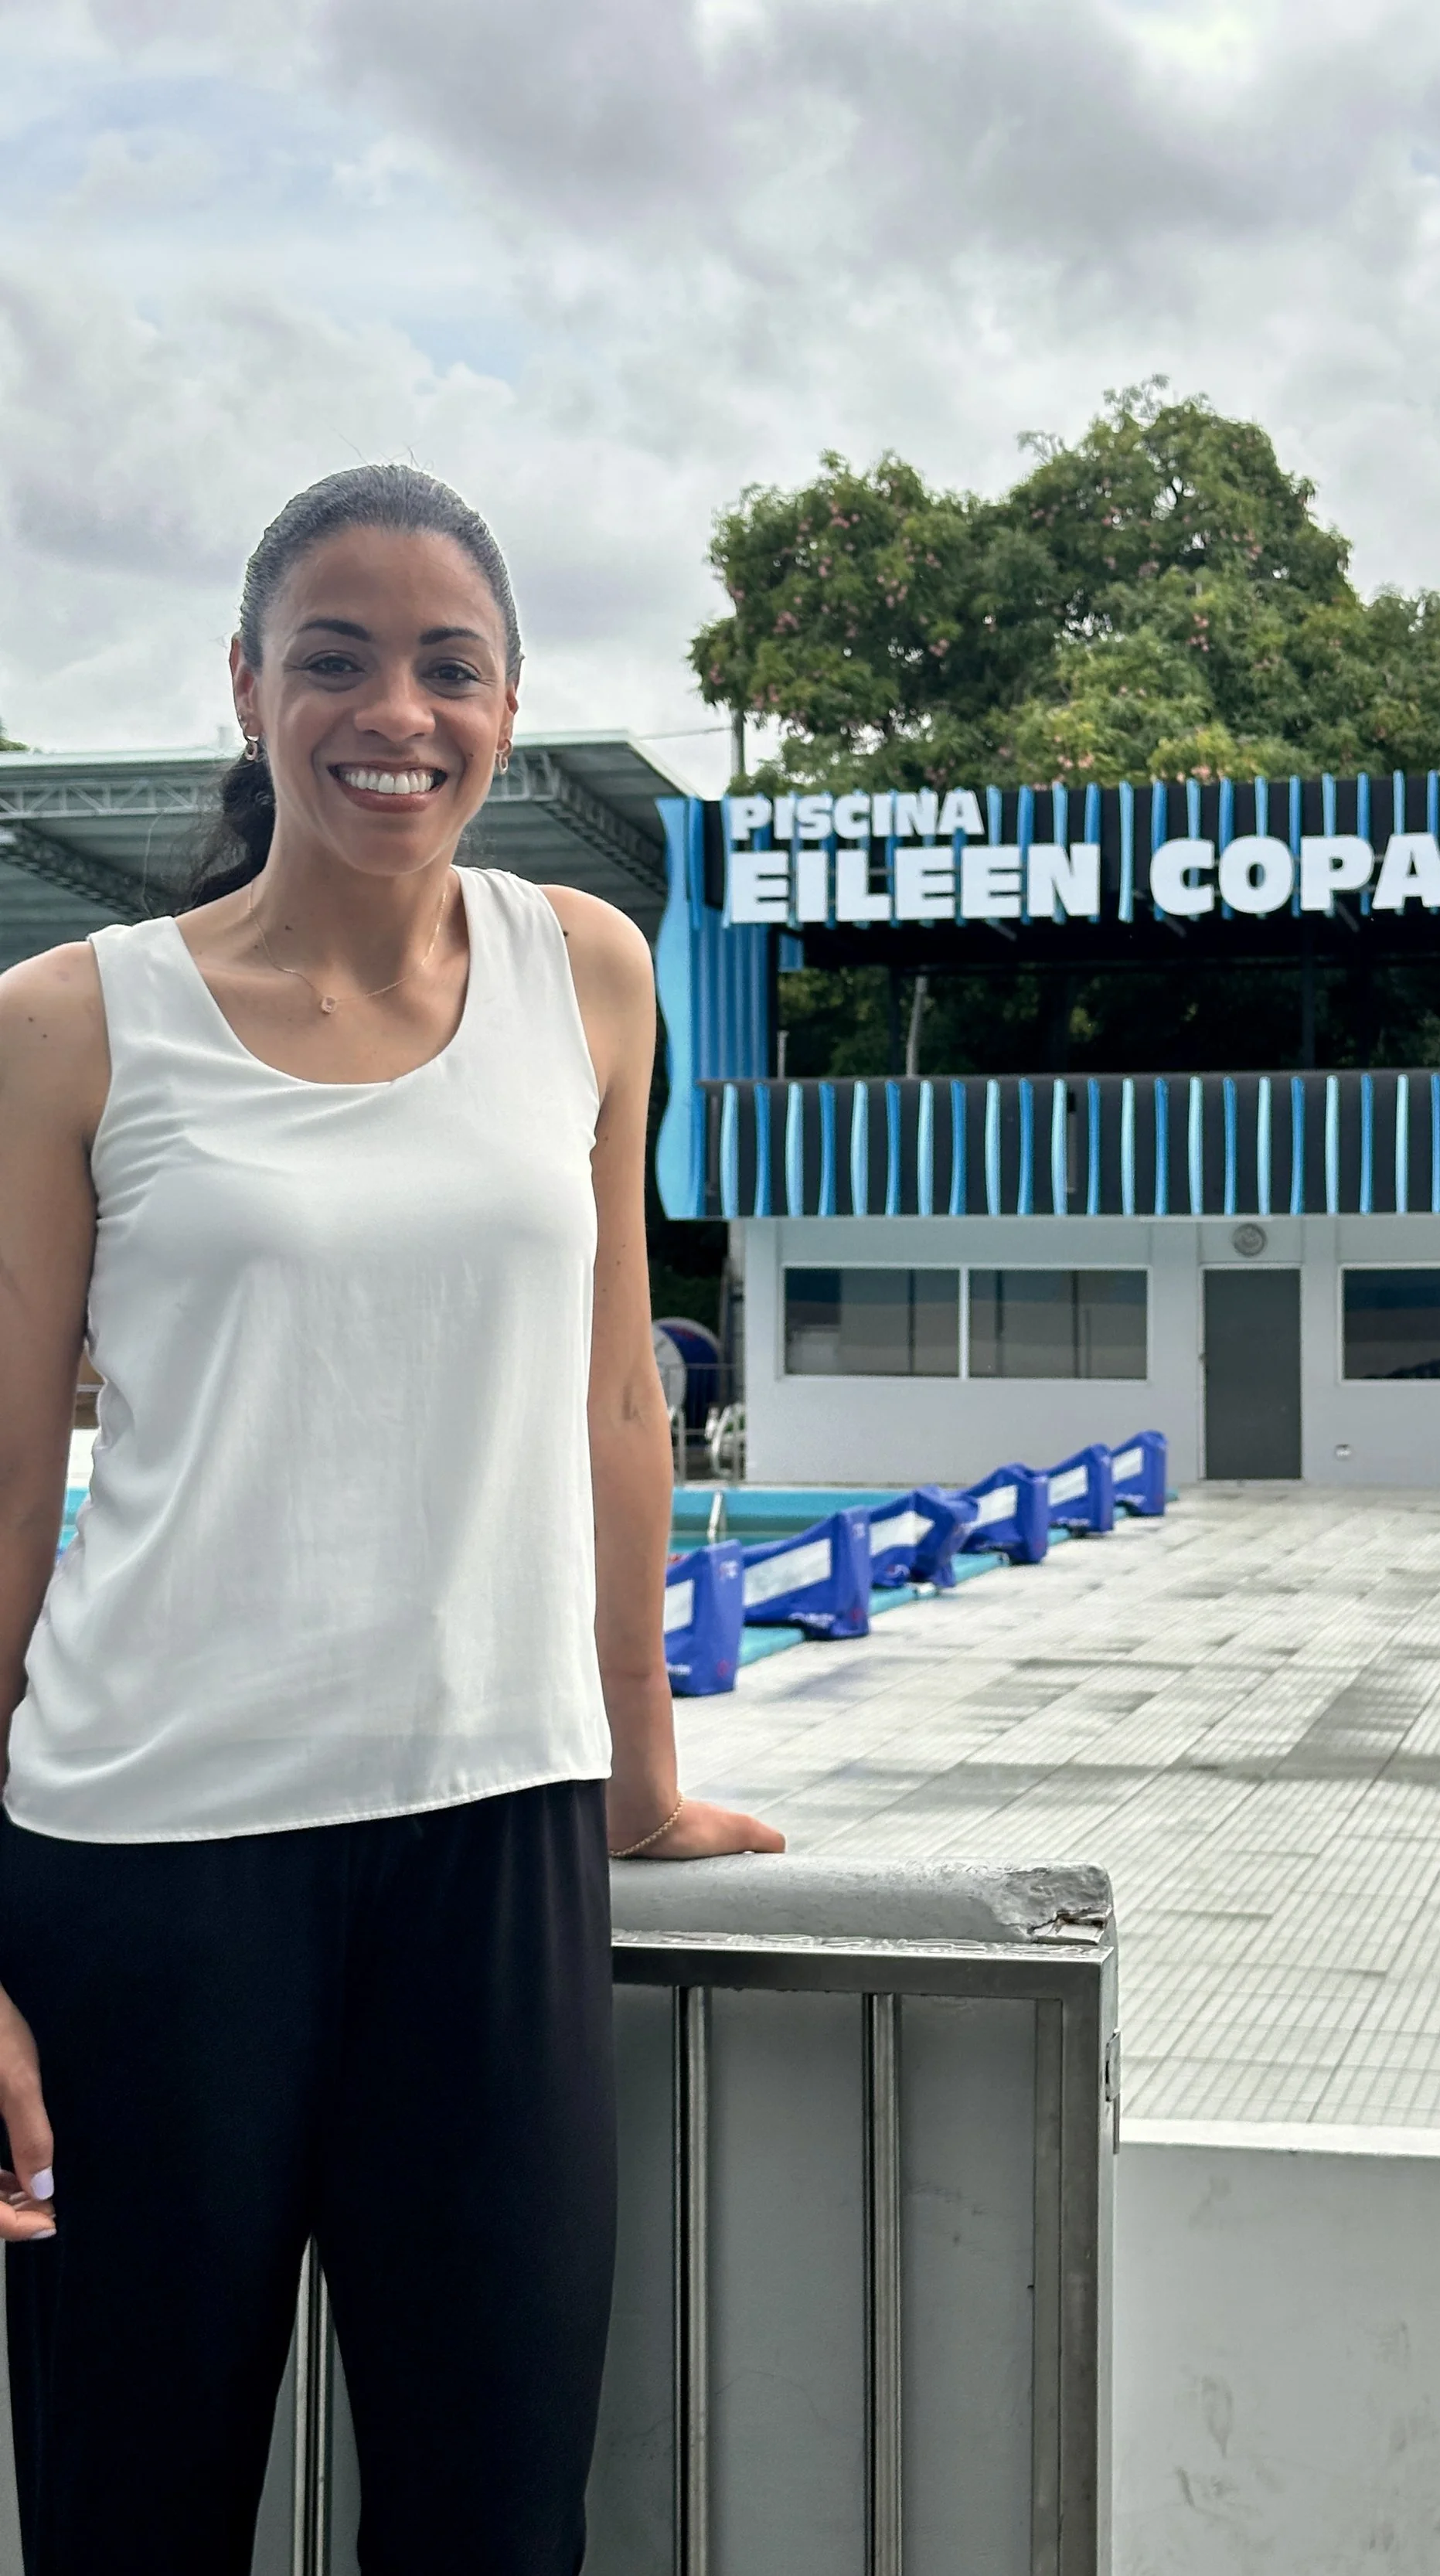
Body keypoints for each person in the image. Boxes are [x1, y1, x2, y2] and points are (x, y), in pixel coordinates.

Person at [0, 464, 783, 2574]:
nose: (393, 711)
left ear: (508, 707)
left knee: (497, 2509)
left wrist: (643, 1770)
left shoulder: (587, 972)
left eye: (449, 666)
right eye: (333, 659)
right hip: (143, 1868)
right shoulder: (75, 1024)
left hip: (493, 1838)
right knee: (127, 2508)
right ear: (245, 689)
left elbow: (622, 1394)